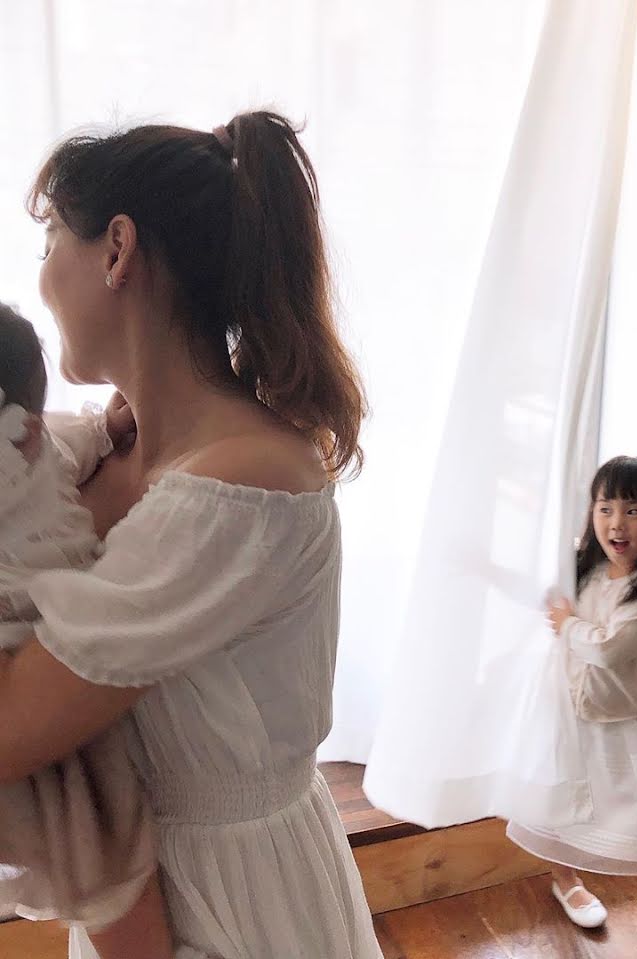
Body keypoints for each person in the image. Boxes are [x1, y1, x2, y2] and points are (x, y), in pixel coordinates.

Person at [0, 110, 382, 958]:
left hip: (235, 895)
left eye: (50, 242)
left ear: (117, 250)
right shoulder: (111, 448)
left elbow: (10, 728)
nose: (43, 280)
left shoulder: (243, 490)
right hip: (141, 878)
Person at [0, 303, 174, 959]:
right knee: (107, 864)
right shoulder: (29, 449)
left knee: (104, 865)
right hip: (34, 693)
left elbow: (72, 440)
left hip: (45, 684)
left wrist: (107, 426)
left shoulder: (41, 448)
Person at [507, 450, 637, 953]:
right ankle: (565, 879)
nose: (617, 523)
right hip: (570, 714)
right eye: (605, 508)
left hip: (629, 720)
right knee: (559, 800)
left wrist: (567, 625)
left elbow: (609, 649)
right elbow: (536, 589)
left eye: (633, 511)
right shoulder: (585, 570)